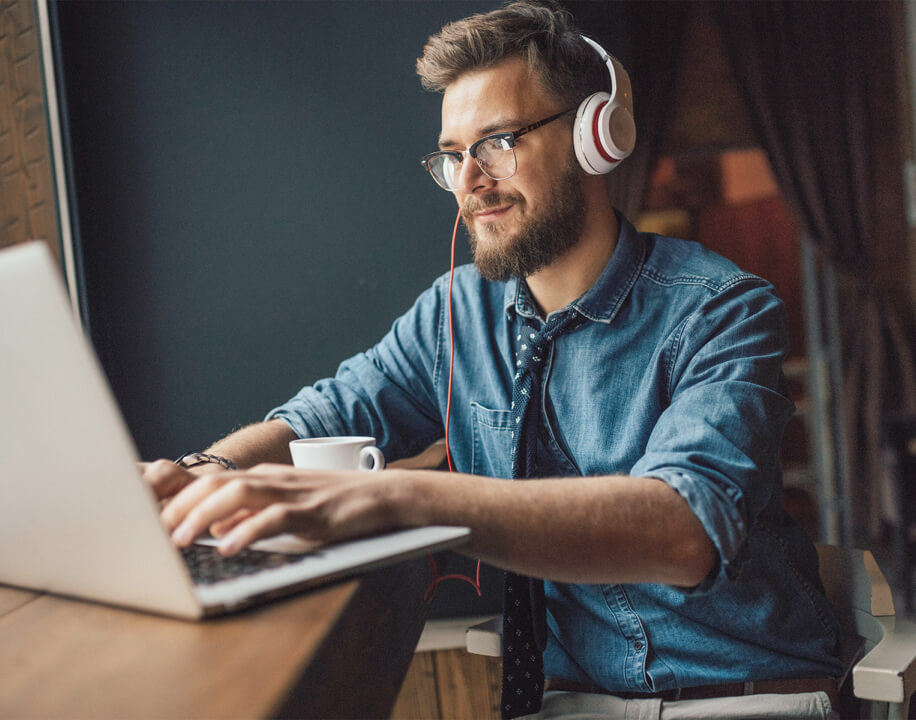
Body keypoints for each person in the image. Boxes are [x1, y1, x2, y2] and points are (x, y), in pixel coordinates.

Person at [144, 2, 843, 718]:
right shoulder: (454, 313)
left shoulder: (723, 309)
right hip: (574, 703)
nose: (470, 180)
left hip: (742, 696)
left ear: (593, 135)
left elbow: (682, 532)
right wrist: (202, 474)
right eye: (453, 155)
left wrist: (397, 499)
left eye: (499, 142)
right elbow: (324, 413)